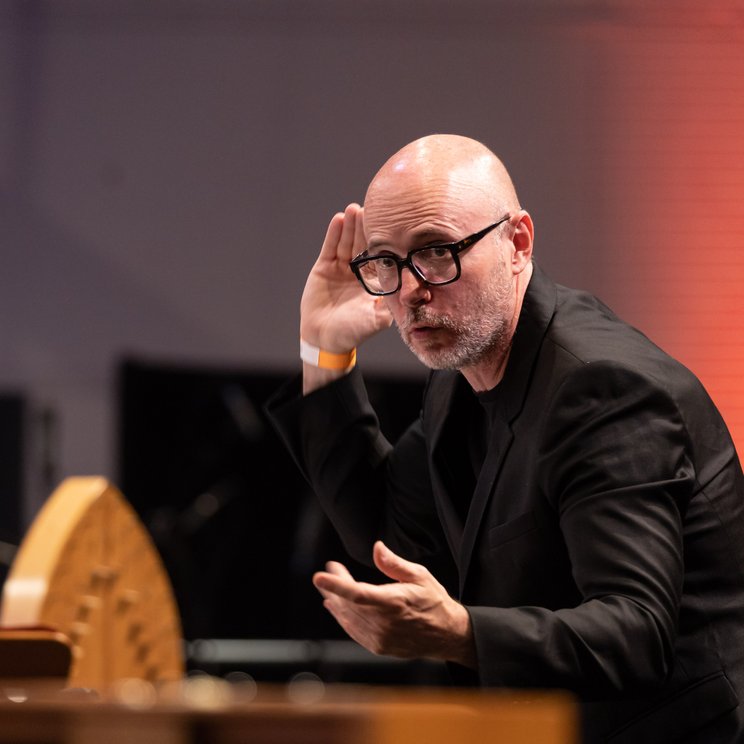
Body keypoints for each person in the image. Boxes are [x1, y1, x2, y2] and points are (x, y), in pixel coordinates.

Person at [266, 134, 744, 742]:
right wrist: (324, 351)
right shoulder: (462, 378)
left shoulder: (603, 388)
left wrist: (461, 632)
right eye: (385, 261)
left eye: (437, 251)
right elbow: (387, 532)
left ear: (518, 243)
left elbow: (636, 633)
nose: (412, 288)